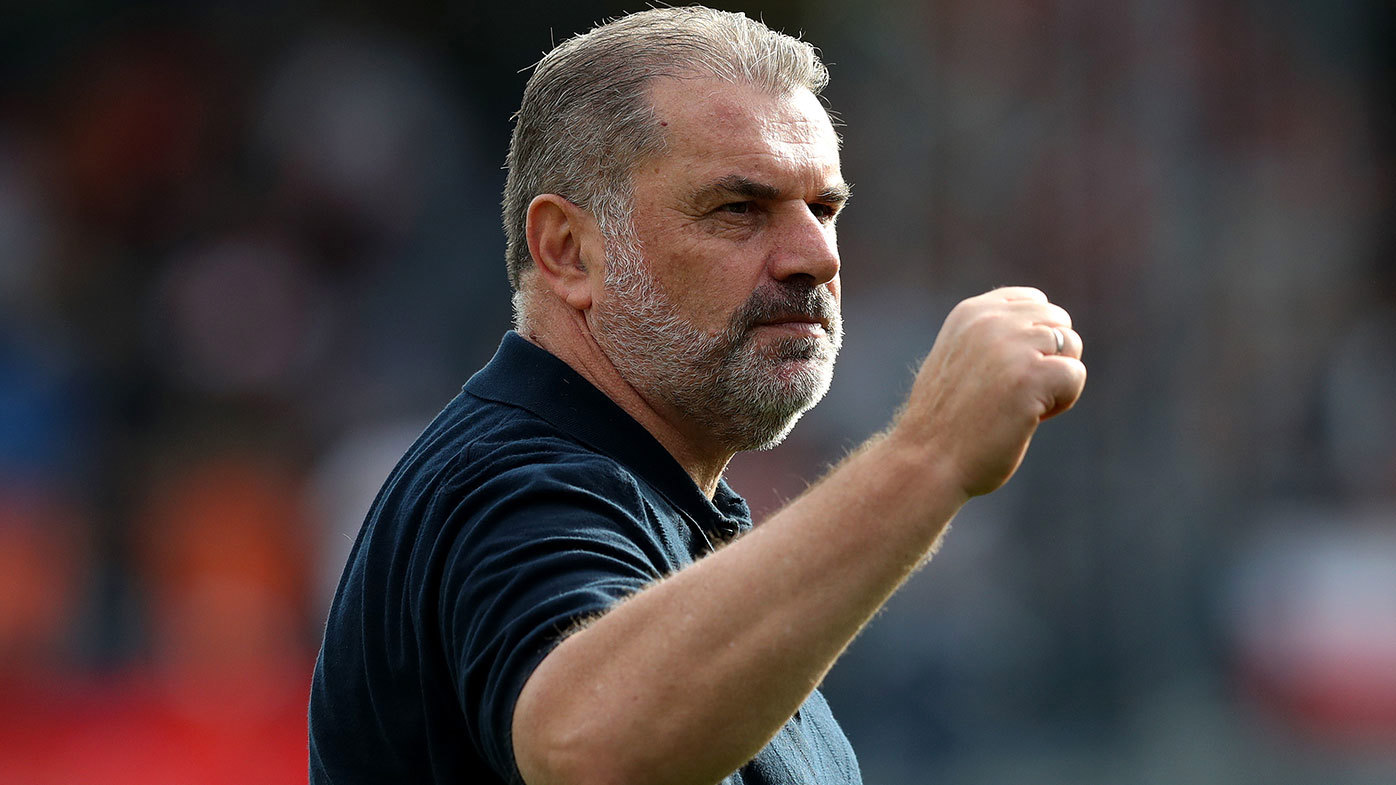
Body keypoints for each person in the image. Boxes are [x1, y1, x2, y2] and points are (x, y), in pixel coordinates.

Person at [308, 7, 1086, 785]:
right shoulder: (515, 485)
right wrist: (930, 455)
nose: (815, 256)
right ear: (569, 251)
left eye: (824, 208)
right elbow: (588, 747)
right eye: (738, 208)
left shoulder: (653, 510)